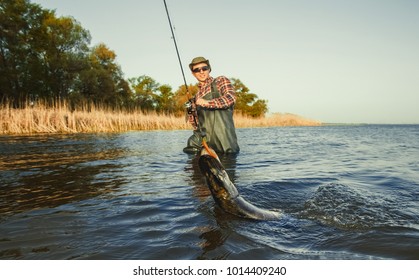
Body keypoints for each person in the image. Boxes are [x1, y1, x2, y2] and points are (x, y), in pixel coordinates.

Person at [183, 56, 240, 154]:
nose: (201, 72)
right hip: (205, 142)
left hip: (224, 141)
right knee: (190, 147)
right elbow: (196, 125)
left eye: (204, 68)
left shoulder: (220, 81)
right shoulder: (196, 97)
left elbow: (231, 98)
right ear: (193, 73)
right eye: (197, 70)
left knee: (227, 161)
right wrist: (191, 112)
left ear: (209, 69)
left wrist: (208, 103)